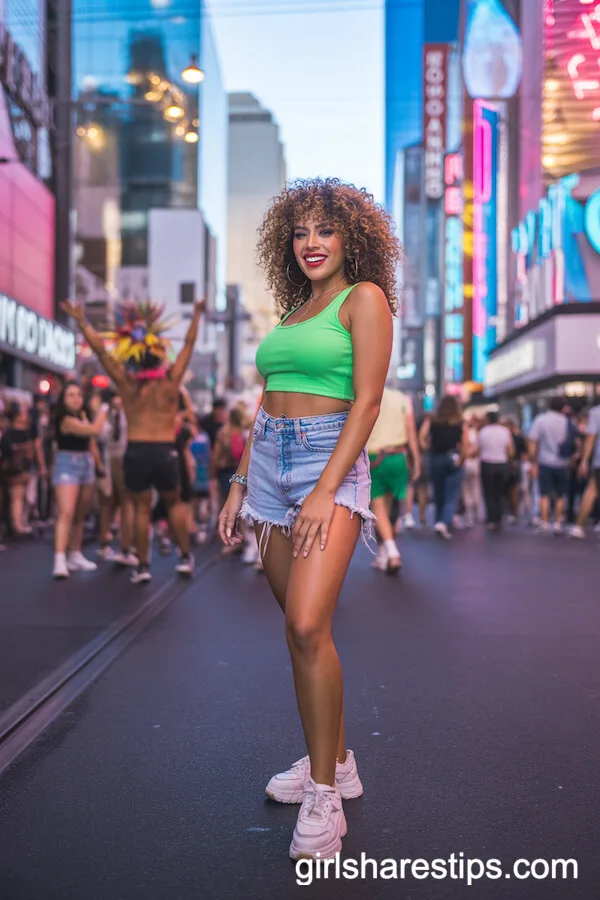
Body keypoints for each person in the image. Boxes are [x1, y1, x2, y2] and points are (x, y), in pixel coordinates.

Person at [217, 177, 400, 860]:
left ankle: (325, 796)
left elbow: (369, 400)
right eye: (300, 232)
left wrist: (326, 488)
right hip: (267, 467)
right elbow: (266, 400)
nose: (312, 242)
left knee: (306, 622)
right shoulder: (296, 310)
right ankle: (338, 760)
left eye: (325, 229)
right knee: (299, 635)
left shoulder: (364, 300)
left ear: (352, 237)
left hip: (330, 463)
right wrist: (240, 480)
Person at [61, 297, 204, 583]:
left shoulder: (127, 384)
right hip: (165, 450)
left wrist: (80, 319)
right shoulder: (170, 382)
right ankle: (185, 558)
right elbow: (188, 346)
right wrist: (197, 314)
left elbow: (101, 351)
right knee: (174, 504)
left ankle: (142, 567)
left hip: (136, 451)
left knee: (140, 508)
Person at [51, 383, 108, 578]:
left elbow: (91, 443)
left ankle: (74, 554)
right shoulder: (65, 419)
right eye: (70, 395)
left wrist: (99, 465)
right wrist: (104, 410)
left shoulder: (82, 415)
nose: (76, 398)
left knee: (80, 514)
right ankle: (59, 559)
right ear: (63, 399)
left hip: (86, 463)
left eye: (78, 395)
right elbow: (93, 431)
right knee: (66, 512)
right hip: (67, 463)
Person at [367, 386, 420, 573]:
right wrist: (417, 460)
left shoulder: (368, 394)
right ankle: (382, 555)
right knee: (388, 509)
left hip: (375, 458)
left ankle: (391, 551)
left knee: (378, 507)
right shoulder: (403, 399)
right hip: (399, 456)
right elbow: (411, 431)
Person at [420, 395, 469, 540]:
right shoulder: (460, 422)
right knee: (452, 494)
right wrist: (462, 459)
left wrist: (426, 447)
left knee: (438, 492)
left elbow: (421, 436)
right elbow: (465, 443)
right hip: (453, 457)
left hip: (436, 457)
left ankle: (438, 520)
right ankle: (444, 522)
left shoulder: (432, 421)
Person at [528, 397, 574, 534]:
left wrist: (532, 461)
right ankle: (559, 522)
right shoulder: (567, 421)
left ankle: (545, 522)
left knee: (544, 494)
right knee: (560, 495)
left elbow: (532, 441)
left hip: (545, 462)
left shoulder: (541, 420)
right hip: (562, 462)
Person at [0, 402, 46, 536]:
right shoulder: (13, 433)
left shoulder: (12, 432)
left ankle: (19, 522)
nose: (26, 415)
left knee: (23, 497)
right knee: (18, 497)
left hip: (22, 469)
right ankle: (18, 525)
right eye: (23, 413)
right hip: (16, 470)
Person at [477, 411, 513, 530]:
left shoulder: (483, 432)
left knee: (488, 492)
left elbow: (479, 448)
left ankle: (491, 518)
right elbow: (510, 450)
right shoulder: (505, 431)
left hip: (487, 463)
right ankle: (499, 517)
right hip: (501, 463)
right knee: (500, 492)